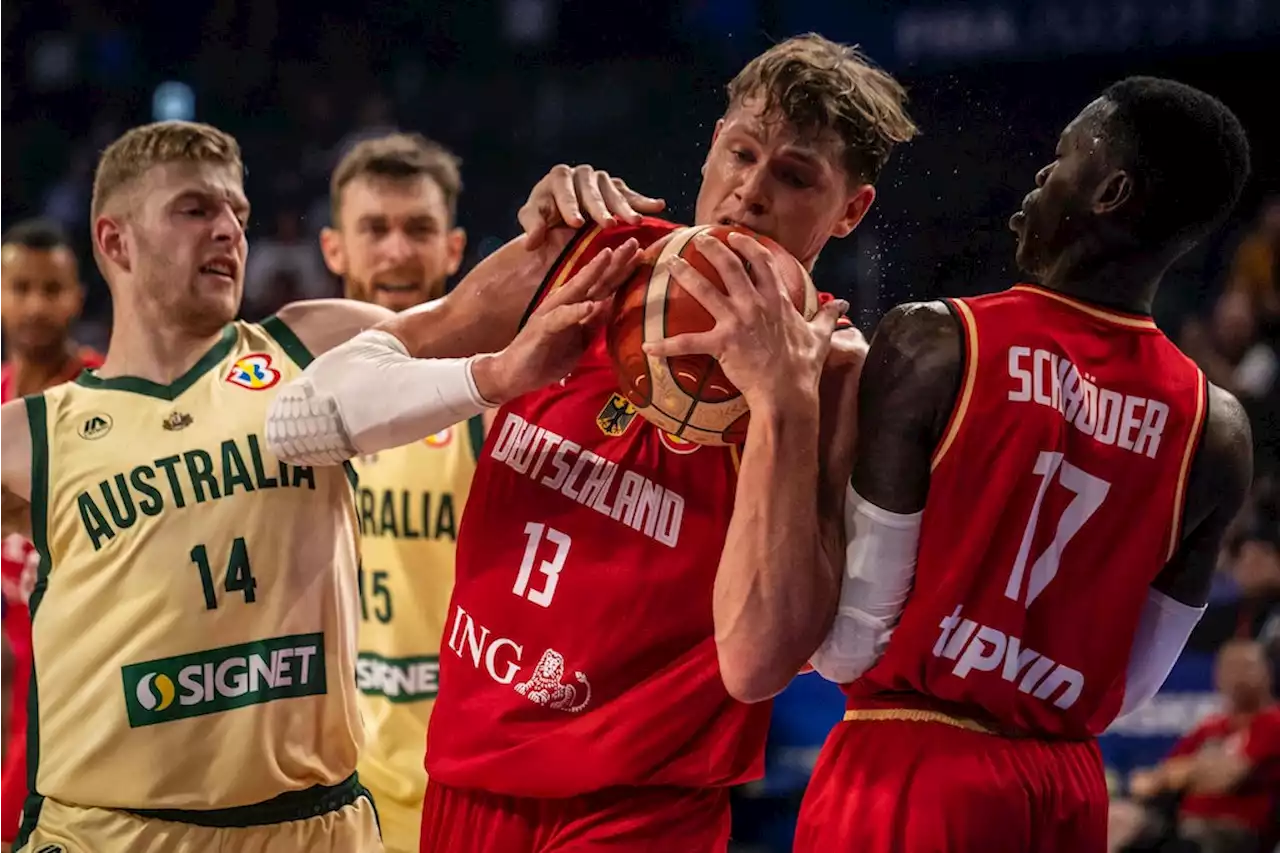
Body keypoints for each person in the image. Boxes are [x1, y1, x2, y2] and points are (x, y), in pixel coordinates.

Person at [266, 33, 918, 853]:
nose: (750, 192)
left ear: (849, 210)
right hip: (468, 774)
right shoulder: (589, 252)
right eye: (743, 154)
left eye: (794, 177)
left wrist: (781, 405)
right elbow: (301, 419)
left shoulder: (835, 377)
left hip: (643, 805)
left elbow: (757, 662)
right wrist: (500, 372)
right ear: (713, 145)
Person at [0, 120, 628, 853]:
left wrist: (562, 233)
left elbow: (467, 315)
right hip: (106, 832)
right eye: (196, 210)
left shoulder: (313, 346)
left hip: (312, 826)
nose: (229, 230)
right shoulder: (31, 434)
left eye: (238, 212)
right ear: (114, 240)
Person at [689, 76, 1253, 852]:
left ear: (1109, 190)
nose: (1039, 177)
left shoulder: (935, 340)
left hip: (909, 769)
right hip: (1066, 789)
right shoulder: (1216, 429)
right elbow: (1131, 691)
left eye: (1061, 159)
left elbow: (845, 646)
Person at [322, 131, 477, 853]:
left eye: (418, 228)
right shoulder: (295, 406)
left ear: (454, 249)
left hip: (462, 786)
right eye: (373, 229)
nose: (395, 251)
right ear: (334, 250)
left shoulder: (494, 406)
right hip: (328, 792)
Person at [0, 219, 102, 852]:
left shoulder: (103, 395)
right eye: (20, 287)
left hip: (77, 693)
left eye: (51, 288)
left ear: (77, 298)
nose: (36, 304)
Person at [1110, 639, 1280, 853]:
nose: (1236, 676)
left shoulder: (1272, 722)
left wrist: (1186, 774)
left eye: (1246, 667)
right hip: (1181, 822)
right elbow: (1155, 779)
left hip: (1235, 830)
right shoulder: (1211, 726)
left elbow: (1227, 777)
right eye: (1229, 668)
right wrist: (1198, 771)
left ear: (1267, 672)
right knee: (1117, 818)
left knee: (1185, 842)